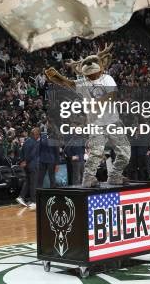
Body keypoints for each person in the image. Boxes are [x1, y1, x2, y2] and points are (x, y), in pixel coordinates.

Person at [45, 43, 131, 187]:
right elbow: (66, 83)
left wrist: (96, 104)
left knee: (125, 153)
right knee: (96, 153)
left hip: (113, 122)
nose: (90, 69)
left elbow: (112, 95)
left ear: (100, 66)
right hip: (96, 125)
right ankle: (88, 178)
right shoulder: (82, 82)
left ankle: (115, 175)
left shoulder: (106, 78)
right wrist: (55, 76)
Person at [16, 127, 40, 209]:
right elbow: (32, 155)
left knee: (28, 181)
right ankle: (33, 201)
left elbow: (21, 152)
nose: (38, 136)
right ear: (35, 135)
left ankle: (21, 197)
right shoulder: (35, 143)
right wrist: (26, 161)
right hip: (32, 165)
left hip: (26, 166)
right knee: (33, 183)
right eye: (38, 134)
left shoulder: (26, 142)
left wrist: (22, 162)